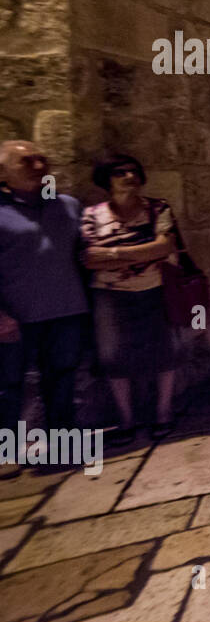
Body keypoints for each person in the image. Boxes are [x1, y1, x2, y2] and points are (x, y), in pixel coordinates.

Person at [0, 140, 90, 478]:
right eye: (26, 162)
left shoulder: (68, 206)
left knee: (63, 381)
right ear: (2, 173)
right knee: (8, 385)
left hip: (66, 311)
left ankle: (64, 444)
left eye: (42, 160)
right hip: (15, 318)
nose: (39, 166)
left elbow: (84, 254)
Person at [79, 153, 179, 443]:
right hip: (110, 296)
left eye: (133, 171)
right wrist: (142, 250)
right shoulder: (92, 215)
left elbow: (165, 246)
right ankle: (126, 420)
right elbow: (88, 258)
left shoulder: (158, 208)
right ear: (106, 180)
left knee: (164, 351)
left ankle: (163, 413)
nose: (128, 177)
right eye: (119, 172)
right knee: (113, 357)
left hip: (154, 288)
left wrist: (111, 253)